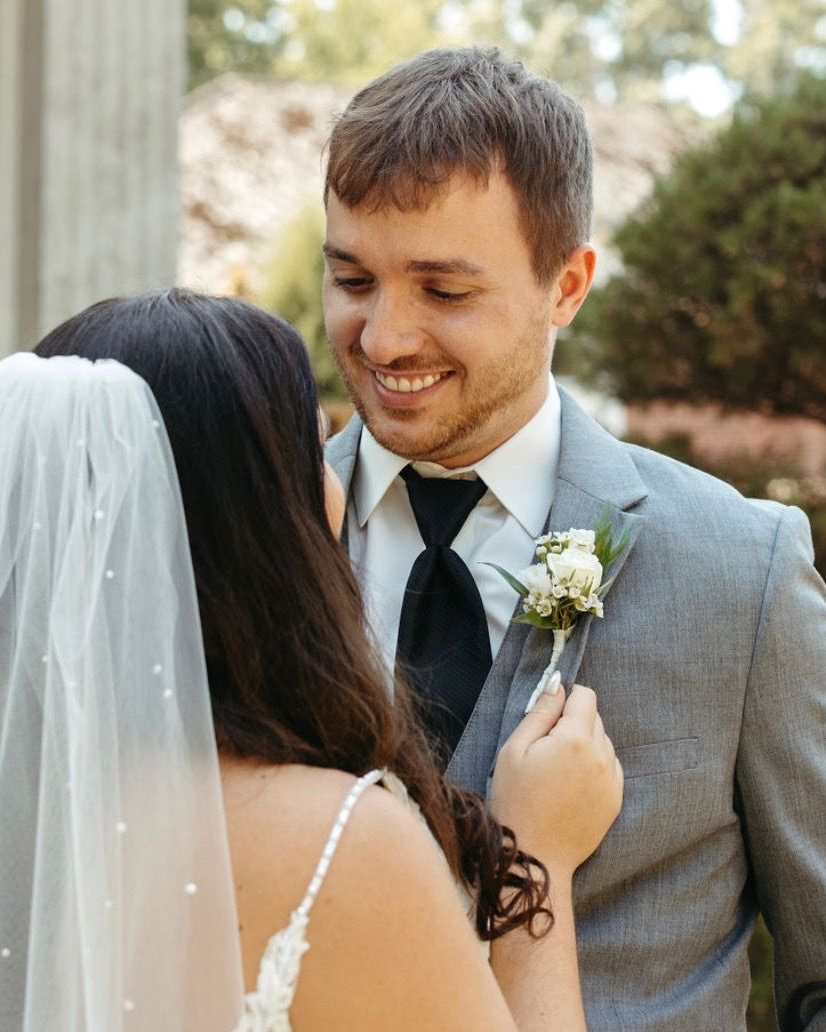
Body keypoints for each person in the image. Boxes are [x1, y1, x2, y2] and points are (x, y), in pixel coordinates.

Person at [0, 289, 622, 1032]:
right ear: (258, 523)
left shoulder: (0, 842)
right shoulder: (341, 848)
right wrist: (544, 858)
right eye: (311, 444)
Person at [322, 44, 826, 1032]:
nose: (384, 337)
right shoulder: (254, 536)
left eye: (444, 291)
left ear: (568, 286)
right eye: (352, 279)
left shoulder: (745, 572)